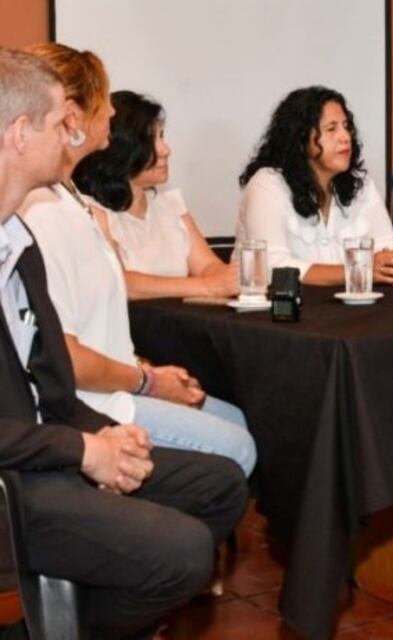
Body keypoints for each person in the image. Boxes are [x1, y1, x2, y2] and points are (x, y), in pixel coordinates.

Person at [0, 46, 247, 640]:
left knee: (220, 486)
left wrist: (102, 434)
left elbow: (53, 381)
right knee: (184, 552)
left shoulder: (18, 241)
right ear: (19, 133)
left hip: (46, 452)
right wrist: (86, 452)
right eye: (63, 119)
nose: (76, 132)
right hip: (11, 481)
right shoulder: (33, 230)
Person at [18, 43, 256, 476]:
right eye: (104, 100)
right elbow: (64, 357)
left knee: (235, 421)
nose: (111, 111)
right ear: (73, 115)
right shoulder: (42, 213)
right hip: (92, 404)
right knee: (237, 447)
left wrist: (147, 370)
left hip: (116, 386)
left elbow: (98, 328)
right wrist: (149, 382)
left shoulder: (72, 202)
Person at [239, 86, 393, 285]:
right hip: (281, 311)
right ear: (300, 139)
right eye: (331, 129)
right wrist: (361, 269)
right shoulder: (268, 184)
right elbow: (272, 266)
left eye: (346, 126)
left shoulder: (362, 185)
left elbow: (388, 248)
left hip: (349, 310)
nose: (345, 137)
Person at [72, 90, 239, 300]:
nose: (165, 150)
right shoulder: (91, 211)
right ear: (121, 151)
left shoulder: (169, 203)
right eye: (151, 141)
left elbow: (207, 265)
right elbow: (119, 281)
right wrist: (206, 286)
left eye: (162, 136)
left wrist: (226, 279)